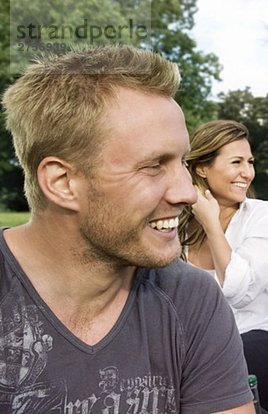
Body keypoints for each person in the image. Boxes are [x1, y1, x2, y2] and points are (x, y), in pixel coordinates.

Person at [0, 45, 254, 413]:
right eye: (153, 166)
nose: (187, 193)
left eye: (181, 162)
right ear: (63, 182)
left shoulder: (192, 300)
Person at [178, 120, 268, 414]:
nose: (247, 173)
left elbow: (239, 291)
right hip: (203, 351)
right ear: (202, 168)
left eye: (250, 162)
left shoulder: (265, 217)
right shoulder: (177, 229)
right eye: (236, 162)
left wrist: (211, 223)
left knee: (227, 379)